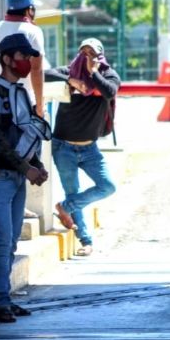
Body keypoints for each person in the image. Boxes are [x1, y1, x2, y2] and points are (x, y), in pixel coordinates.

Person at [0, 33, 49, 323]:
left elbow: (25, 131)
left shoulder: (17, 91)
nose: (27, 62)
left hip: (16, 175)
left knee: (12, 239)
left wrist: (36, 164)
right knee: (3, 238)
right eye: (22, 56)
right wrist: (27, 168)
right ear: (7, 58)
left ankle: (2, 296)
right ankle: (1, 299)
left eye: (30, 57)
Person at [52, 38, 120, 257]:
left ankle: (65, 207)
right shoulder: (69, 72)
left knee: (107, 186)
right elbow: (44, 74)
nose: (87, 58)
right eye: (84, 53)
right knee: (73, 191)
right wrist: (71, 80)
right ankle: (85, 241)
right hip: (63, 146)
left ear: (100, 56)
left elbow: (109, 91)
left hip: (90, 148)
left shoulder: (108, 76)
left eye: (92, 53)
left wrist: (93, 73)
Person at [0, 0, 47, 117]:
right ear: (29, 10)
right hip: (24, 100)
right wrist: (40, 106)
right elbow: (36, 70)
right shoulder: (33, 31)